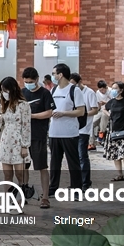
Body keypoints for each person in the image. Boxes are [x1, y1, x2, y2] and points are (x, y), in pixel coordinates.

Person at [21, 68, 55, 208]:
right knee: (23, 167)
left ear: (36, 79)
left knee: (42, 166)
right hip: (23, 137)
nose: (28, 84)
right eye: (26, 81)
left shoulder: (44, 93)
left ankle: (45, 197)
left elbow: (49, 112)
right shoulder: (22, 93)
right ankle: (22, 194)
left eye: (31, 81)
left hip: (38, 135)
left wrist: (32, 116)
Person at [48, 63, 84, 194]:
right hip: (54, 132)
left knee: (72, 162)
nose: (53, 76)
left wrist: (64, 113)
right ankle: (52, 188)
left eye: (54, 73)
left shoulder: (74, 90)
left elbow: (80, 111)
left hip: (69, 132)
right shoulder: (53, 90)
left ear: (60, 75)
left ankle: (76, 189)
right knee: (54, 163)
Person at [0, 77, 32, 189]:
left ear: (13, 89)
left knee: (20, 174)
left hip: (18, 142)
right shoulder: (4, 105)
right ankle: (9, 198)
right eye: (2, 91)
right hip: (6, 141)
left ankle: (22, 195)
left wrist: (25, 146)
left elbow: (26, 126)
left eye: (6, 90)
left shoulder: (23, 105)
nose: (4, 93)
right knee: (7, 174)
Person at [72, 73, 98, 188]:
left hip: (84, 128)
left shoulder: (89, 92)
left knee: (82, 156)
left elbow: (95, 110)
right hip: (73, 129)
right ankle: (77, 182)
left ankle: (85, 182)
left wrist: (83, 114)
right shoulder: (71, 92)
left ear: (79, 82)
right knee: (74, 157)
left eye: (74, 84)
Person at [91, 80, 110, 149]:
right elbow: (98, 104)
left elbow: (114, 103)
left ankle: (101, 135)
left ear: (106, 87)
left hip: (108, 110)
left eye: (103, 90)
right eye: (100, 90)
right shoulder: (98, 93)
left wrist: (105, 103)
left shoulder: (110, 91)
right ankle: (91, 143)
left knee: (103, 119)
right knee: (91, 123)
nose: (102, 92)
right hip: (101, 110)